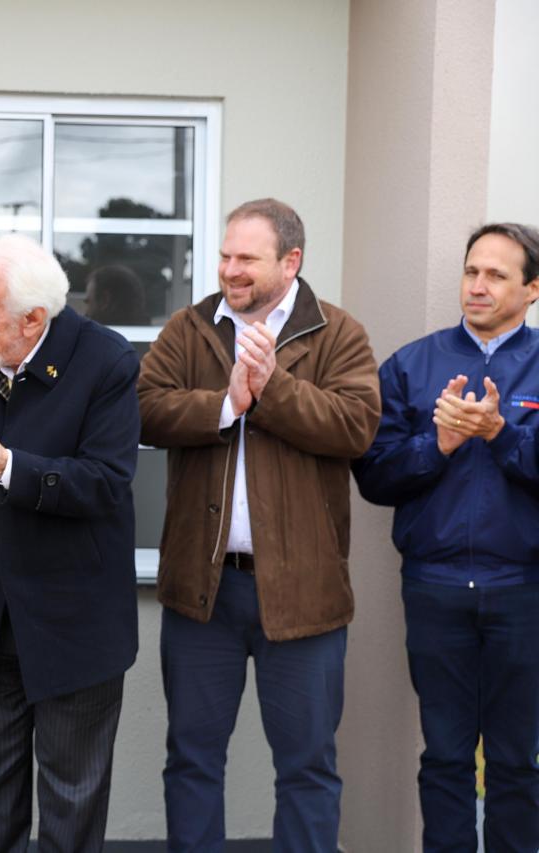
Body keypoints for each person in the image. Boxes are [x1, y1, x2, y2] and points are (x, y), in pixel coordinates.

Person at [138, 198, 380, 852]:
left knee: (306, 768)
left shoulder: (337, 333)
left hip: (304, 597)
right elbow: (143, 410)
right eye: (225, 255)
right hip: (202, 591)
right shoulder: (191, 329)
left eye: (246, 258)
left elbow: (357, 426)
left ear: (290, 261)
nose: (230, 269)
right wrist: (224, 403)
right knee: (191, 760)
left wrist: (273, 389)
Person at [0, 234, 140, 852]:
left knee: (69, 807)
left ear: (33, 318)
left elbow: (106, 484)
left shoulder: (107, 363)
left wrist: (4, 465)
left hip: (76, 623)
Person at [353, 222, 539, 852]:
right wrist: (439, 444)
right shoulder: (411, 364)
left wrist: (501, 436)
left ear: (532, 289)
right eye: (470, 271)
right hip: (434, 590)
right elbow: (374, 475)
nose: (477, 286)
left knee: (518, 760)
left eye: (496, 275)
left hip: (524, 589)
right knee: (446, 756)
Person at [85, 263, 151, 326]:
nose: (86, 313)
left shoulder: (95, 336)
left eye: (88, 302)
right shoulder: (154, 334)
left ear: (105, 300)